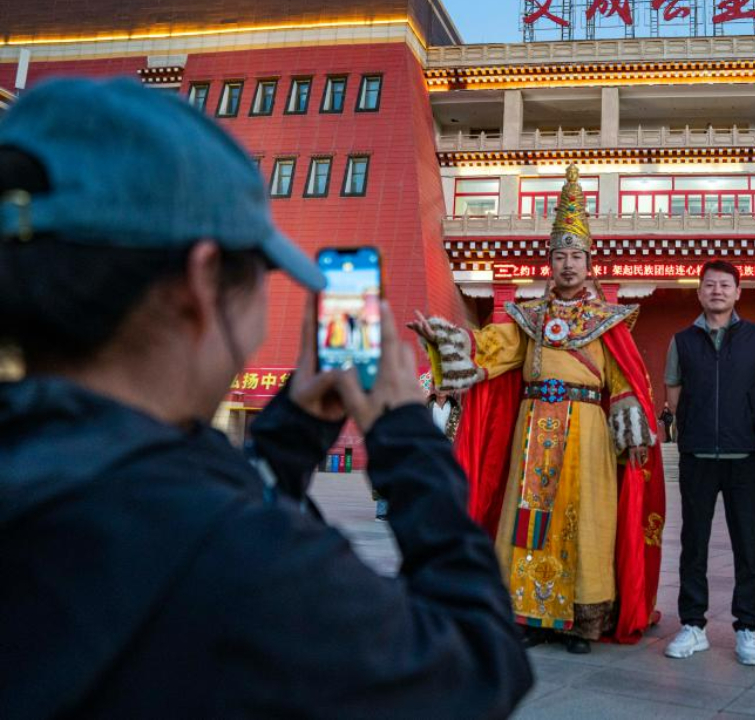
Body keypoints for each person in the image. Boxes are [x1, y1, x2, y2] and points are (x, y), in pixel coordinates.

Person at [0, 78, 531, 718]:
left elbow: (187, 484)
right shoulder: (240, 561)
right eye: (261, 275)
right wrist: (403, 429)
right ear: (201, 283)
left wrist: (298, 424)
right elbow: (478, 664)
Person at [410, 165, 666, 654]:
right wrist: (446, 336)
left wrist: (630, 415)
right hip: (533, 434)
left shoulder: (608, 324)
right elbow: (488, 348)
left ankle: (580, 622)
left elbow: (625, 381)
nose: (568, 264)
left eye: (576, 256)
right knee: (528, 519)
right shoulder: (527, 319)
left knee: (586, 522)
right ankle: (530, 615)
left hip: (587, 435)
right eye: (560, 256)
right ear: (549, 262)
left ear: (590, 263)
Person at [661, 260, 755, 666]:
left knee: (747, 543)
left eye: (725, 285)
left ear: (737, 292)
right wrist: (693, 428)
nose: (717, 291)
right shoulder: (682, 340)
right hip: (696, 457)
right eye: (709, 285)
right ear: (698, 292)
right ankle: (693, 625)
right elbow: (673, 392)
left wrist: (746, 427)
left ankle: (747, 628)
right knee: (692, 543)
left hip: (744, 457)